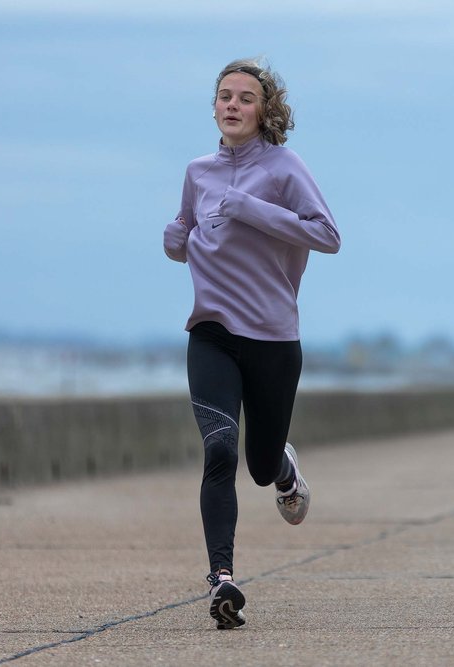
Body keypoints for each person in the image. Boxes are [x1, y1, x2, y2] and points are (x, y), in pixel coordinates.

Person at [163, 58, 340, 629]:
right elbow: (189, 232)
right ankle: (221, 579)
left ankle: (284, 468)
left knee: (260, 467)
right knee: (219, 451)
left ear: (265, 110)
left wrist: (255, 210)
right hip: (211, 332)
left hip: (271, 338)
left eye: (246, 97)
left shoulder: (285, 169)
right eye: (224, 96)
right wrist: (175, 238)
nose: (233, 105)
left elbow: (327, 235)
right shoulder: (198, 171)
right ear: (214, 106)